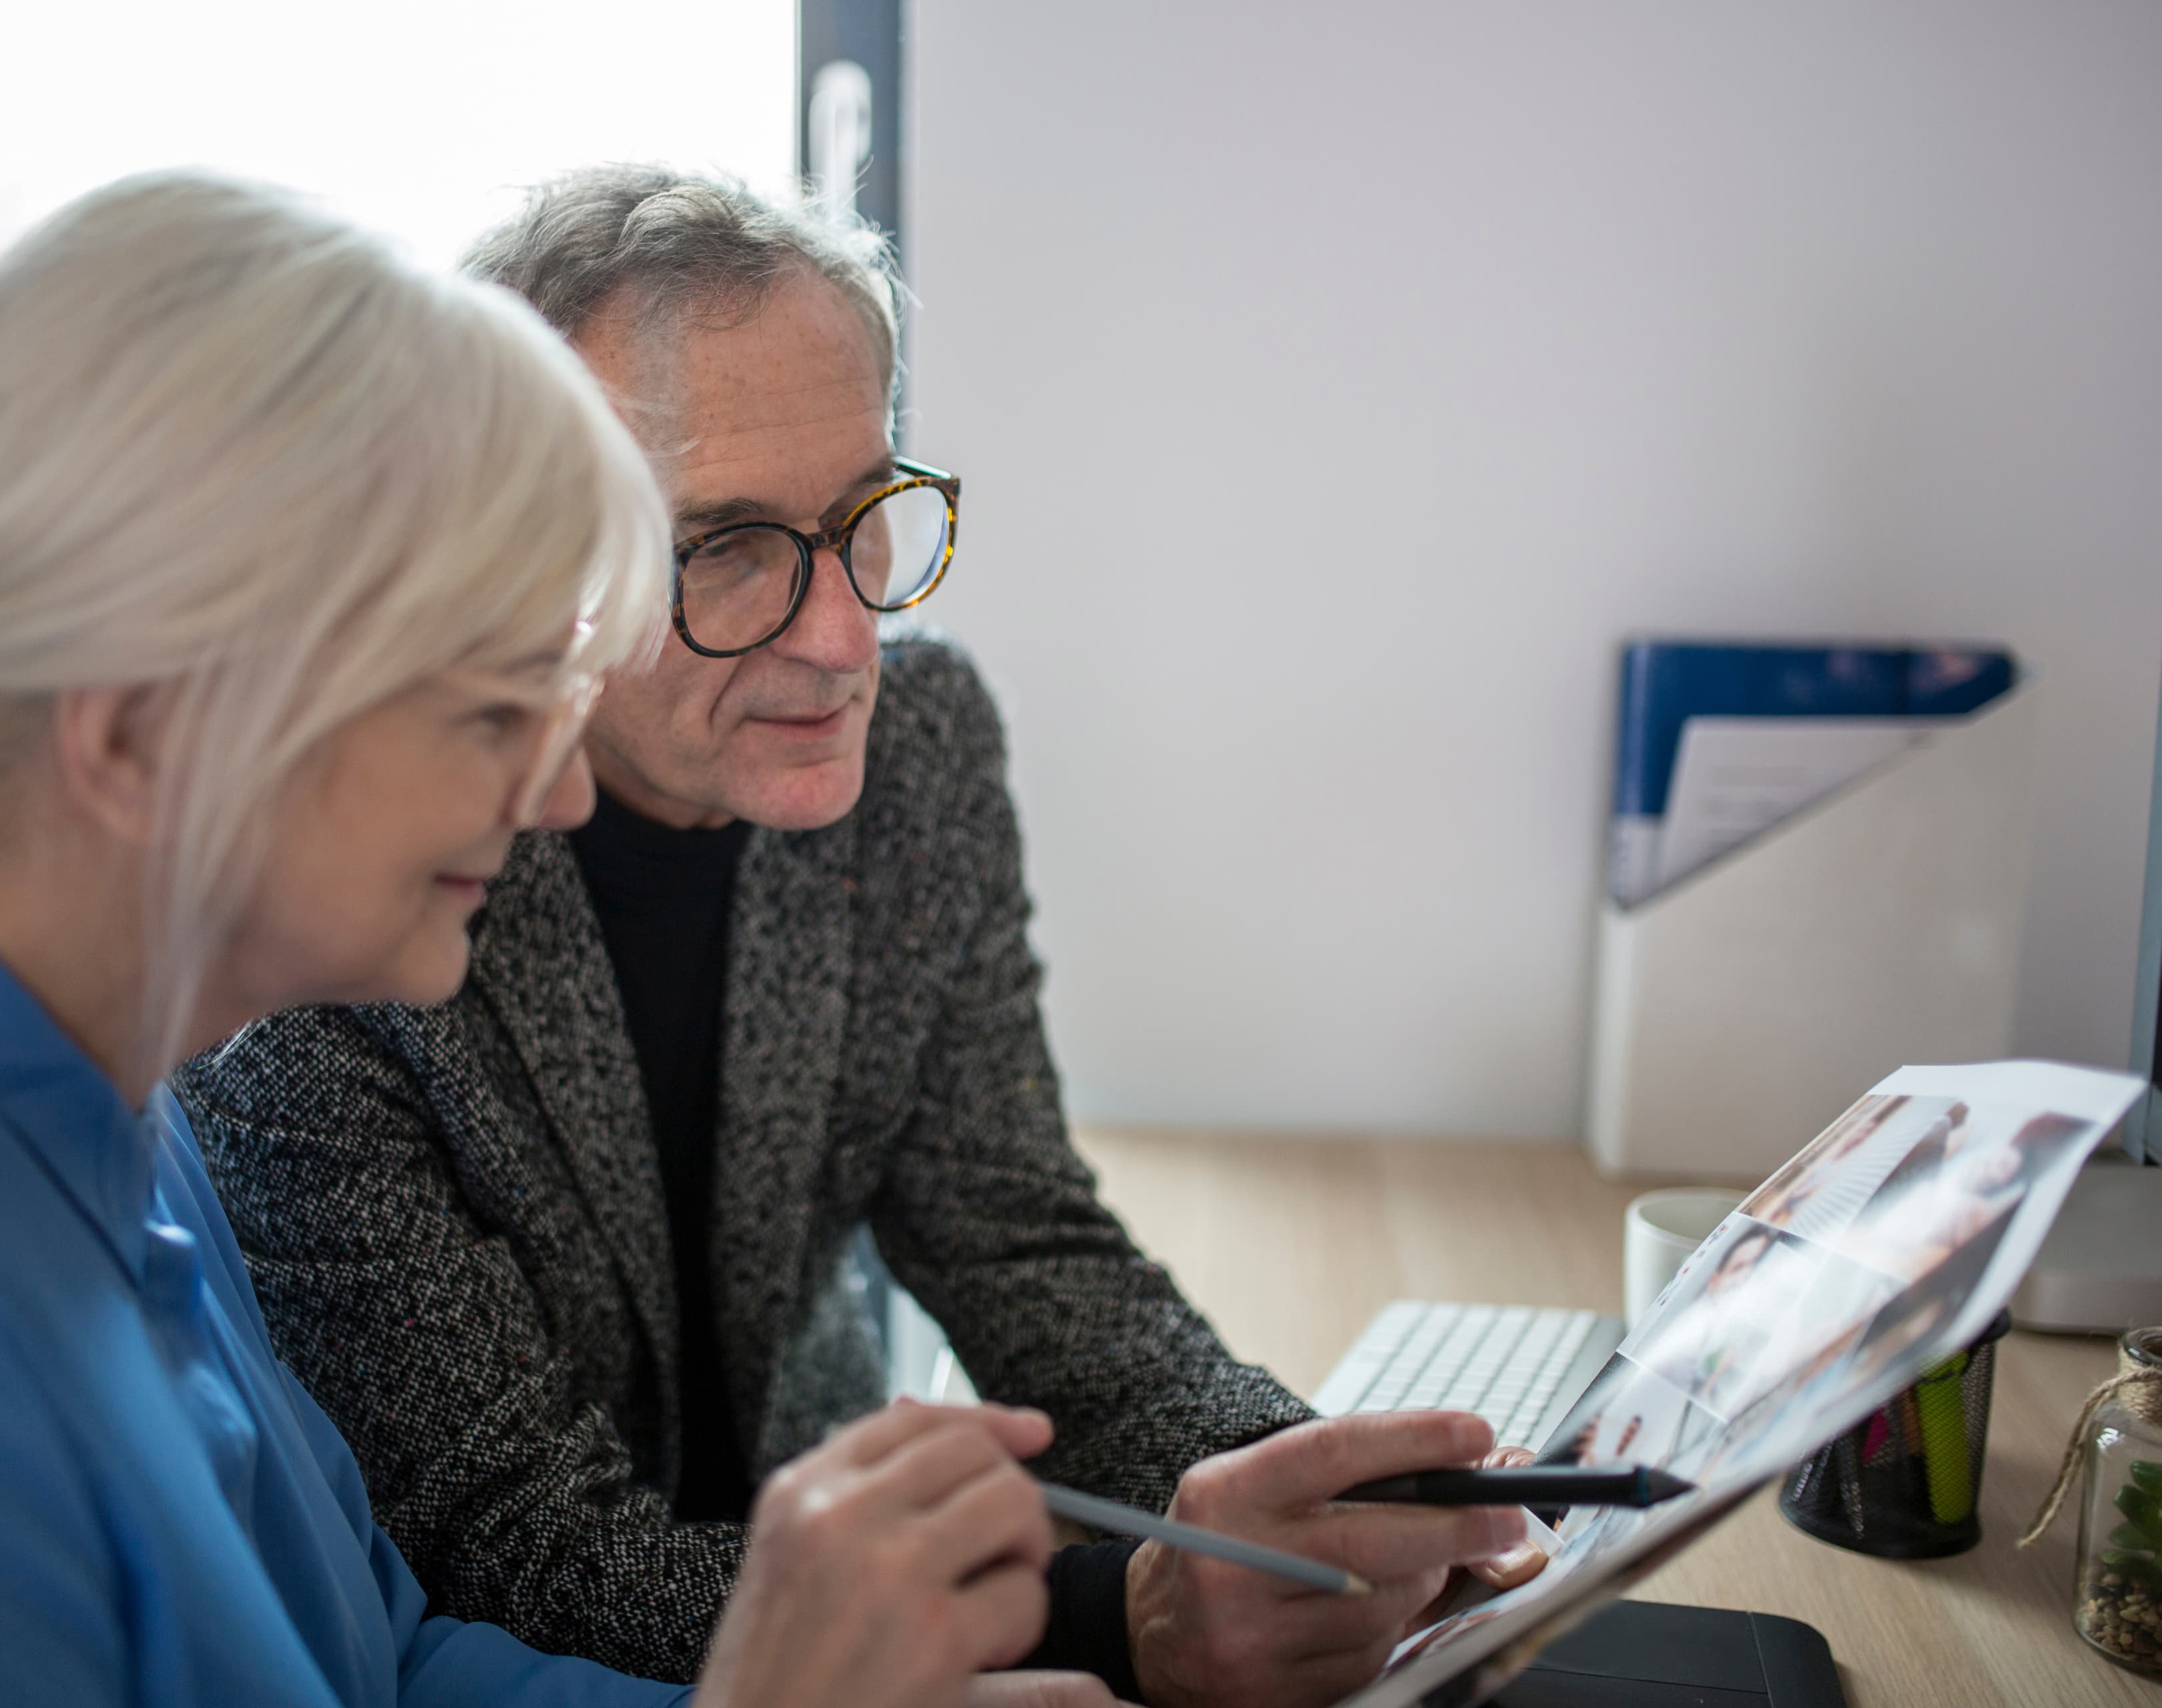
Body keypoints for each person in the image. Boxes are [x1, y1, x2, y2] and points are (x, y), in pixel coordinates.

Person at [0, 174, 1113, 1708]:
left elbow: (381, 1661)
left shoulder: (108, 1111)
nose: (562, 784)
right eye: (486, 706)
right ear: (137, 740)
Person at [177, 165, 1536, 1708]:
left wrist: (1309, 1499)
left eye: (866, 516)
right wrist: (1124, 1612)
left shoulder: (928, 745)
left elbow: (1024, 1246)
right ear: (520, 561)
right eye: (729, 547)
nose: (842, 638)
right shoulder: (339, 902)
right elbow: (518, 1551)